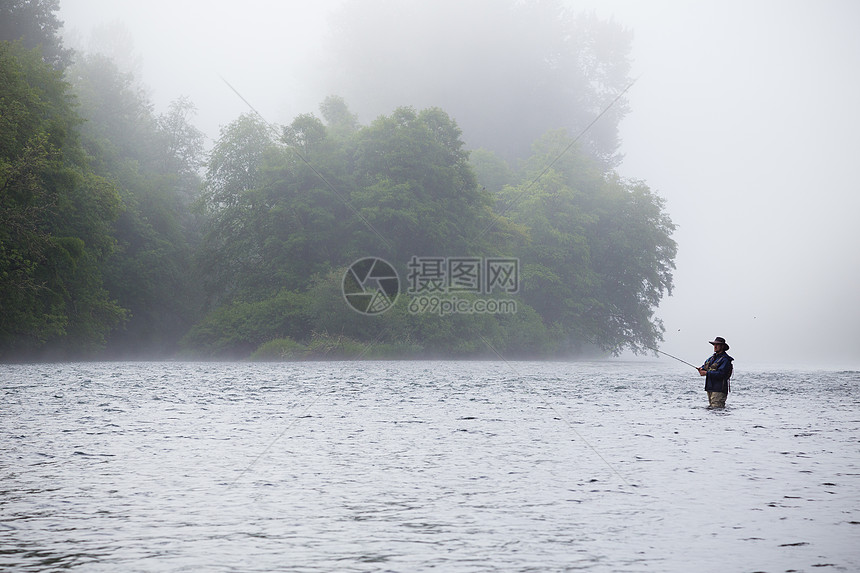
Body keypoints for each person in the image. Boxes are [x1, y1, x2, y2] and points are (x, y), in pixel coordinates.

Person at [697, 337, 733, 408]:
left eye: (717, 345)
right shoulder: (712, 358)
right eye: (714, 345)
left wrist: (706, 373)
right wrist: (701, 369)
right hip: (710, 388)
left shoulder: (725, 360)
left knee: (716, 409)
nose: (715, 346)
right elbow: (705, 366)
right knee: (712, 410)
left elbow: (721, 374)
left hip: (719, 389)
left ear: (722, 346)